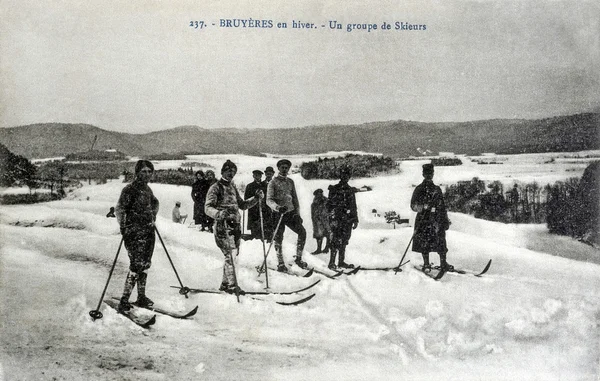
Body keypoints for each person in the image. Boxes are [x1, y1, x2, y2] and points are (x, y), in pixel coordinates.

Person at [205, 160, 262, 293]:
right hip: (222, 226)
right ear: (222, 172)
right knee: (230, 255)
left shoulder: (232, 187)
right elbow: (207, 208)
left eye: (233, 172)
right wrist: (219, 214)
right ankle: (232, 285)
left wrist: (256, 199)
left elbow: (242, 205)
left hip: (235, 227)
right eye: (228, 171)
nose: (231, 174)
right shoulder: (215, 187)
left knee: (233, 255)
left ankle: (225, 284)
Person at [115, 160, 159, 312]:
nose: (147, 174)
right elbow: (120, 209)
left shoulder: (148, 190)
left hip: (148, 232)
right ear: (137, 173)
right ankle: (124, 300)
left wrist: (153, 216)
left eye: (149, 172)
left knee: (146, 264)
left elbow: (154, 204)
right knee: (136, 265)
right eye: (144, 171)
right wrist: (124, 227)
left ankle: (141, 297)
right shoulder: (129, 190)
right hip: (134, 233)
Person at [266, 159, 307, 272]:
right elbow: (268, 200)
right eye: (282, 167)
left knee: (302, 232)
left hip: (290, 213)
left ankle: (298, 258)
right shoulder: (272, 182)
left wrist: (297, 214)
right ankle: (280, 263)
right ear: (278, 168)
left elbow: (295, 199)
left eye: (286, 168)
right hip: (278, 215)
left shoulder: (290, 182)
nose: (284, 170)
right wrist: (278, 208)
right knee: (279, 238)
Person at [410, 163, 452, 273]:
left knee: (441, 241)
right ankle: (426, 264)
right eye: (427, 173)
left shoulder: (437, 189)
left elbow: (442, 206)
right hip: (424, 220)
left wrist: (445, 220)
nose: (429, 176)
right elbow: (413, 206)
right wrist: (423, 206)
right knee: (425, 242)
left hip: (437, 219)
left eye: (431, 173)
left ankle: (443, 264)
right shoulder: (419, 189)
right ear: (423, 174)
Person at [326, 166, 358, 269]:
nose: (345, 177)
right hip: (337, 219)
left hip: (347, 220)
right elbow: (329, 205)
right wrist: (332, 216)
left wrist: (355, 219)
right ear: (340, 176)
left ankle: (341, 262)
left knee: (344, 240)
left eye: (347, 176)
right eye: (343, 175)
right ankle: (331, 263)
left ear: (349, 177)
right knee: (335, 240)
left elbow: (353, 206)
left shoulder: (350, 190)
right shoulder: (334, 189)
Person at [244, 170, 266, 240]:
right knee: (254, 227)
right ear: (253, 176)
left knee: (264, 227)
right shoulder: (249, 186)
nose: (257, 177)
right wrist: (255, 197)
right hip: (253, 210)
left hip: (263, 209)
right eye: (256, 175)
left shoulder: (265, 185)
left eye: (259, 175)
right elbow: (246, 198)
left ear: (261, 176)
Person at [310, 189, 331, 254]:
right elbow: (313, 213)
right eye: (318, 194)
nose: (320, 195)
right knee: (318, 235)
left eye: (321, 193)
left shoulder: (327, 201)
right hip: (318, 221)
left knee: (328, 234)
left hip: (326, 220)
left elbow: (330, 210)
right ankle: (319, 249)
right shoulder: (314, 202)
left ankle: (327, 248)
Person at [261, 166, 276, 241]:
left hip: (273, 207)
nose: (269, 175)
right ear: (265, 174)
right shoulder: (261, 184)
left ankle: (272, 239)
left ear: (273, 174)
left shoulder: (276, 184)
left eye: (270, 173)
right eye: (267, 173)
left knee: (273, 223)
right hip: (264, 207)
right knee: (264, 223)